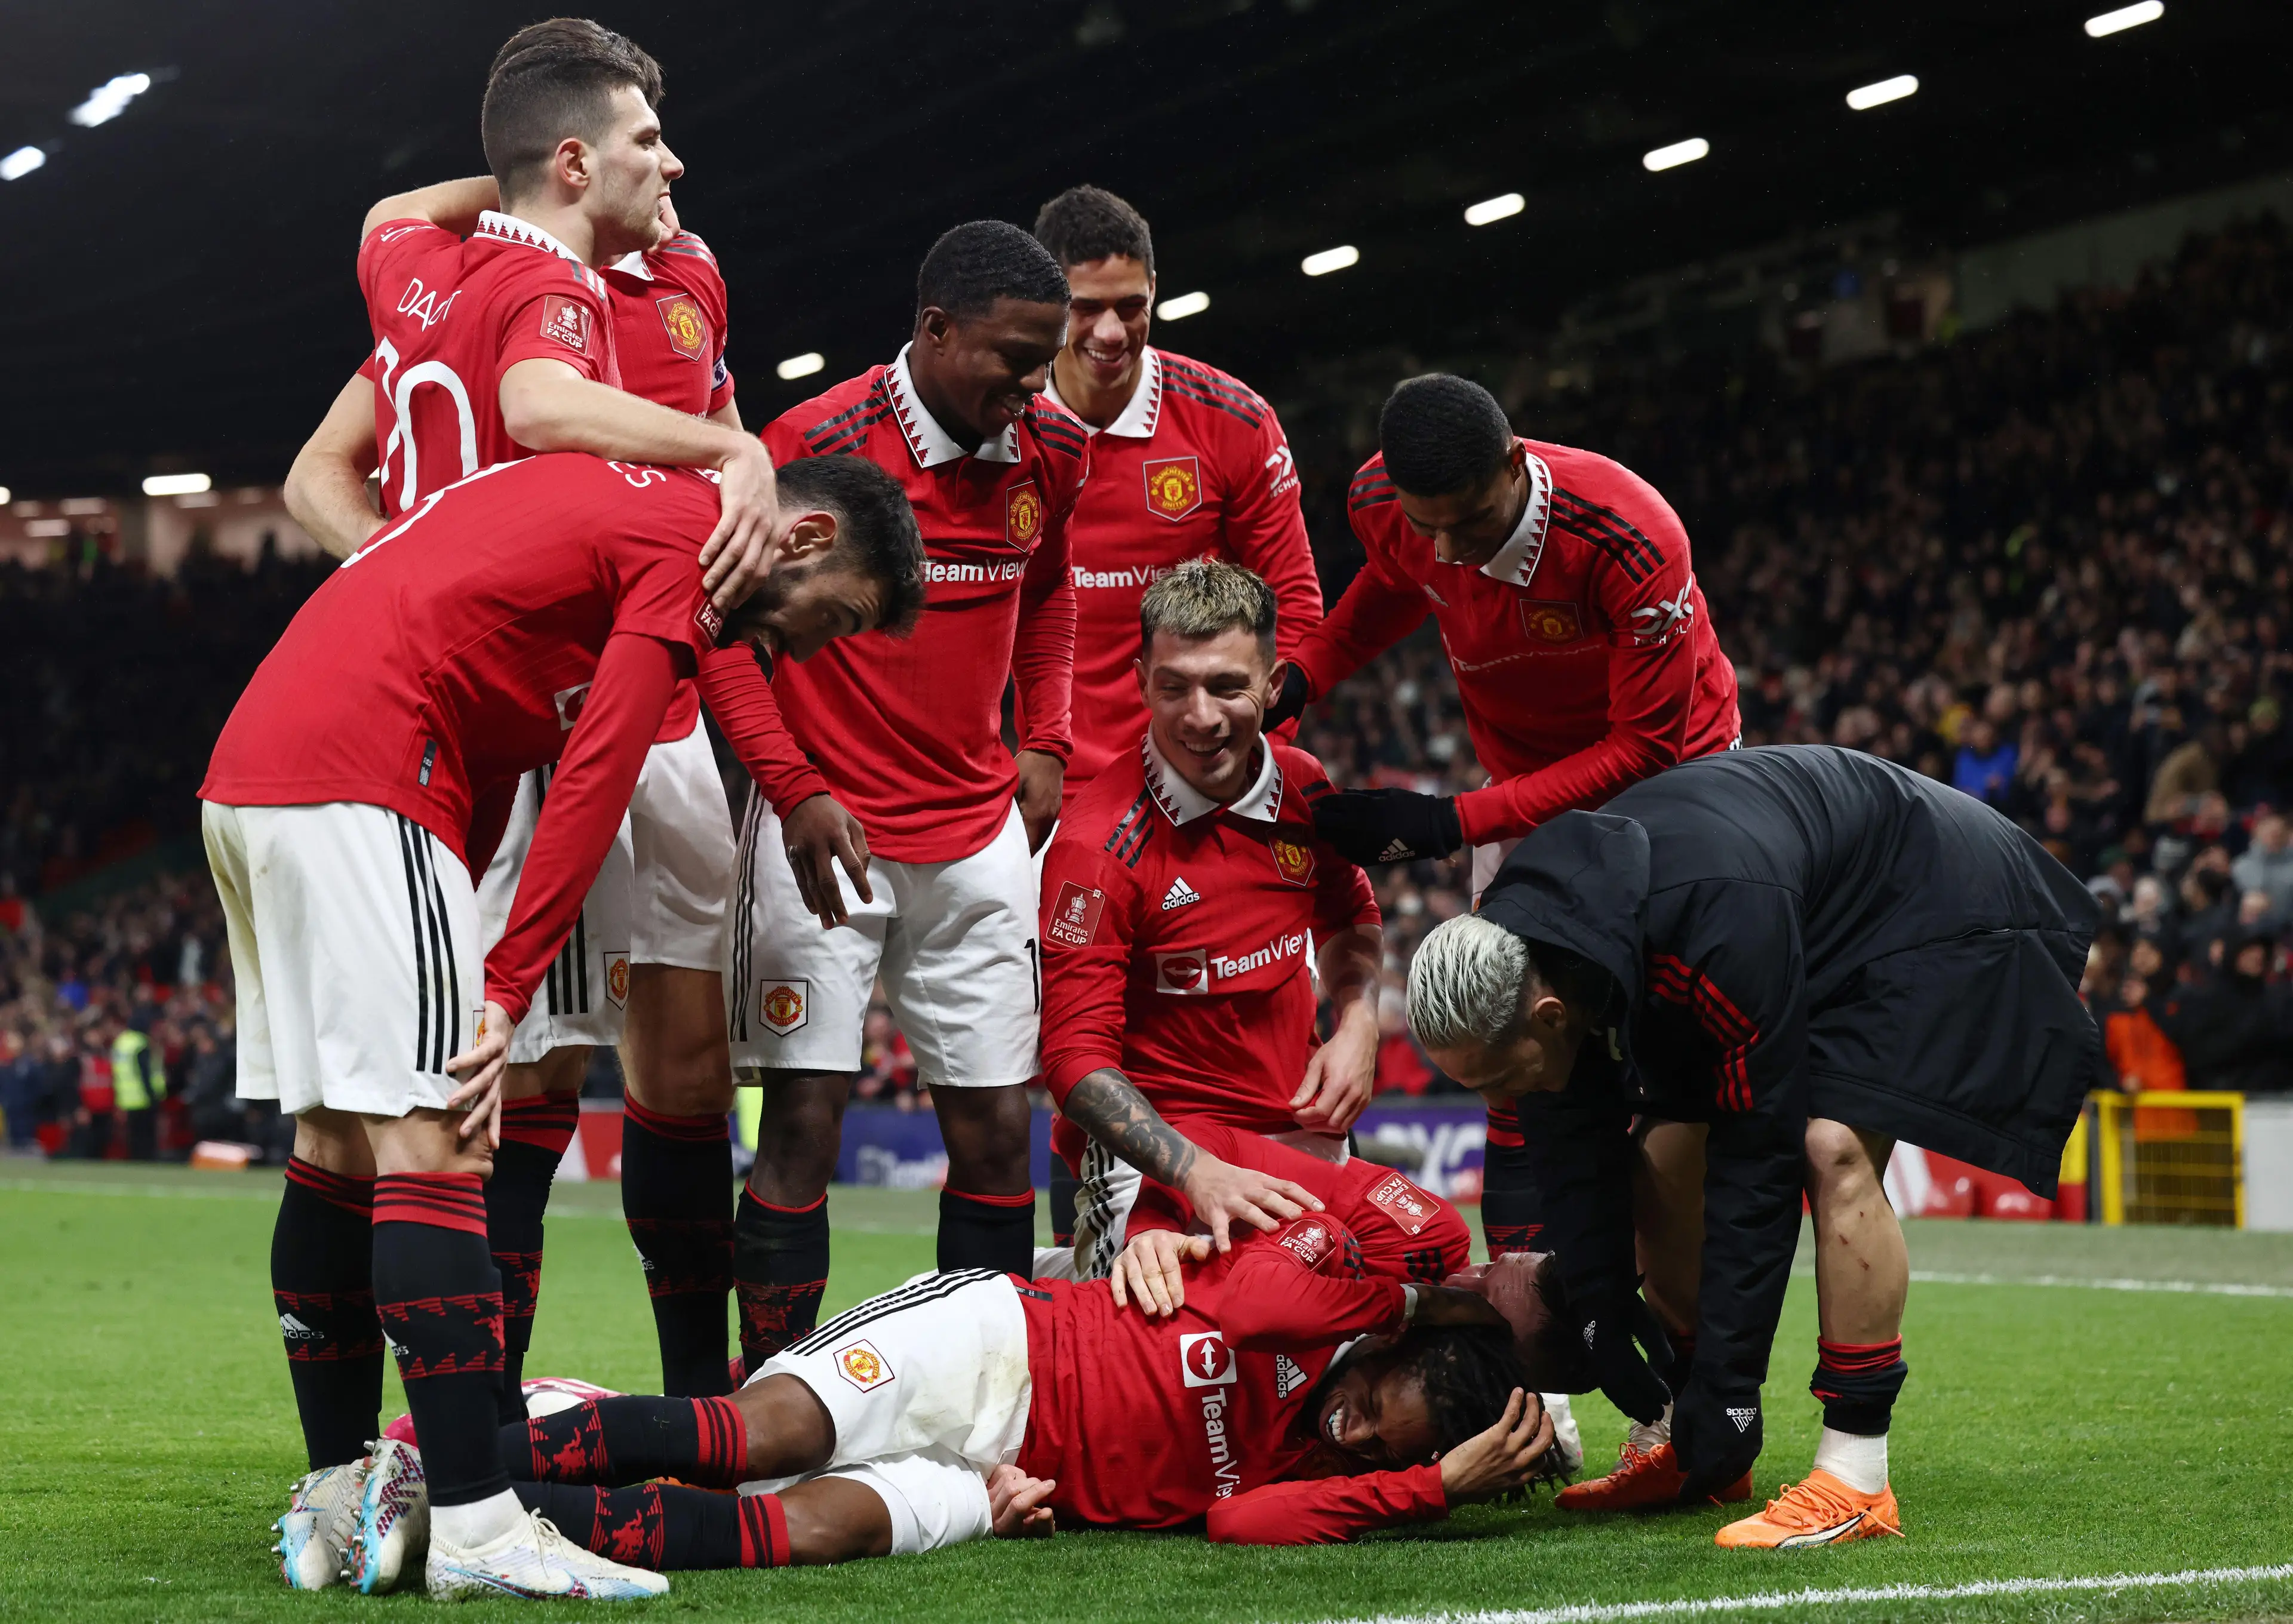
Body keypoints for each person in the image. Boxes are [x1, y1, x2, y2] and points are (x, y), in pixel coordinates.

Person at [201, 450, 924, 1599]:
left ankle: (339, 1488)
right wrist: (503, 985)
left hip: (258, 777)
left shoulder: (612, 510)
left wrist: (473, 924)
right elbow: (598, 769)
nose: (794, 651)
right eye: (826, 620)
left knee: (335, 1141)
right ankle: (485, 1530)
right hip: (365, 771)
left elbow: (504, 748)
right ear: (803, 535)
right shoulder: (693, 544)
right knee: (442, 1135)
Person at [282, 20, 785, 1416]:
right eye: (641, 134)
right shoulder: (485, 274)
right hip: (513, 708)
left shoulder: (689, 273)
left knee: (686, 1048)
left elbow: (716, 463)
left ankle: (701, 1402)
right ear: (568, 155)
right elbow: (318, 472)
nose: (670, 161)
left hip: (662, 696)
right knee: (516, 1054)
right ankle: (478, 1414)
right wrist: (402, 576)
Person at [1404, 745, 2100, 1548]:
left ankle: (1856, 1475)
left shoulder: (1711, 927)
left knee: (1829, 1145)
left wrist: (1730, 1388)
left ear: (1552, 1015)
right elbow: (1575, 1144)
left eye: (1498, 1077)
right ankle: (1697, 1449)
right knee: (1666, 1153)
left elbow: (1756, 1167)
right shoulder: (1533, 941)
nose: (1497, 1103)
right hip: (1791, 896)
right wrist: (1602, 1315)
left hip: (1929, 894)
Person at [1265, 373, 1741, 1472]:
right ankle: (1545, 1375)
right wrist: (1314, 670)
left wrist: (1446, 820)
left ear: (1518, 461)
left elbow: (1646, 748)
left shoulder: (1627, 533)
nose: (1457, 553)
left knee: (1662, 1084)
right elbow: (1393, 581)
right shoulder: (1392, 504)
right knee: (1516, 1062)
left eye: (1476, 523)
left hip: (1681, 803)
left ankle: (1692, 1389)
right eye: (1434, 530)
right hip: (1522, 799)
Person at [723, 222, 1087, 1373]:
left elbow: (1054, 587)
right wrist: (793, 788)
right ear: (935, 331)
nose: (1034, 385)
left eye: (1047, 360)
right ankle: (773, 1406)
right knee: (804, 1126)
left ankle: (976, 1402)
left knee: (993, 1138)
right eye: (1015, 357)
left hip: (981, 833)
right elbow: (726, 636)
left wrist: (1053, 740)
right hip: (826, 837)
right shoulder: (811, 444)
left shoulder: (1051, 451)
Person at [444, 1209, 1549, 1570]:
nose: (1348, 1433)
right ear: (1389, 1355)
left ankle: (475, 1530)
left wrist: (1429, 1490)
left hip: (1005, 1480)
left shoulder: (1326, 1477)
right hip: (995, 1344)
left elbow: (1234, 1517)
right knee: (754, 1437)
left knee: (799, 1531)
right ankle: (457, 1461)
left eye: (1374, 1446)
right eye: (1369, 1405)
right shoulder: (1314, 1290)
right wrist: (1394, 1308)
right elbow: (1255, 1315)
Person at [1035, 557, 1379, 1279]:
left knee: (1378, 1339)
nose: (1199, 715)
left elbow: (1351, 915)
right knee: (1174, 1362)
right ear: (1140, 682)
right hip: (1162, 1156)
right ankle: (1052, 1290)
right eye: (1174, 687)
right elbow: (1074, 1061)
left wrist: (1359, 1019)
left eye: (1227, 685)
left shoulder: (1305, 787)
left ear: (1273, 684)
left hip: (1300, 1135)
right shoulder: (1095, 845)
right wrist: (1195, 1172)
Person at [1026, 185, 1323, 812]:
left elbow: (1293, 607)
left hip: (1203, 777)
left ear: (1155, 288)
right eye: (1085, 308)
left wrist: (1245, 748)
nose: (1111, 332)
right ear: (1046, 304)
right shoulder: (998, 430)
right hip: (1043, 790)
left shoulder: (1233, 422)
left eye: (1131, 305)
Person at [109, 1014, 166, 1161]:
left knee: (133, 1136)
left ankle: (135, 1161)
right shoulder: (140, 1043)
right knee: (146, 1136)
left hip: (125, 1098)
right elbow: (144, 1072)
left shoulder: (121, 1043)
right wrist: (152, 1095)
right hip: (142, 1097)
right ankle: (147, 1160)